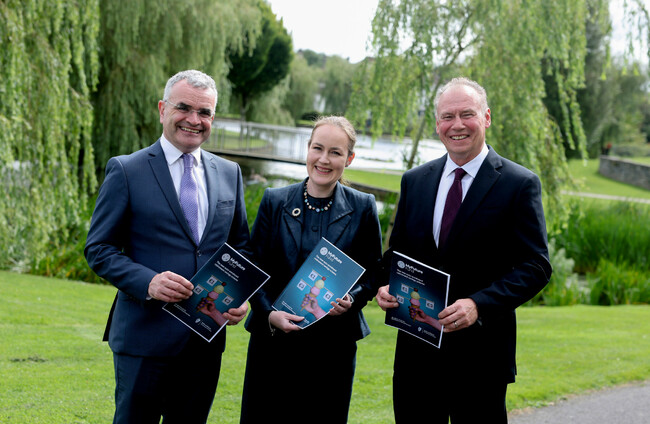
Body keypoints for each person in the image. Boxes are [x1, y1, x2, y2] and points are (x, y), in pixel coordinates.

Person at [376, 77, 552, 423]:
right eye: (447, 116)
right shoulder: (415, 180)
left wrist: (478, 304)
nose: (456, 125)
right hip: (416, 355)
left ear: (486, 117)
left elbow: (536, 266)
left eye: (466, 114)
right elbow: (398, 254)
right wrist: (386, 285)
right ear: (437, 124)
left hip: (481, 358)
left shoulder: (519, 184)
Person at [85, 69, 250, 424]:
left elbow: (240, 248)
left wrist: (238, 296)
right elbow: (99, 248)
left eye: (204, 112)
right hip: (144, 338)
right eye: (184, 108)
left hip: (204, 341)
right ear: (163, 110)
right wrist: (148, 282)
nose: (194, 120)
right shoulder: (127, 170)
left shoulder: (229, 173)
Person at [239, 116, 383, 423]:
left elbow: (374, 272)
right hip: (273, 343)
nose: (324, 159)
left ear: (349, 158)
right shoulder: (274, 201)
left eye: (335, 152)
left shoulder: (363, 207)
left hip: (333, 348)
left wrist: (352, 299)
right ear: (308, 149)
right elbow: (253, 267)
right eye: (318, 148)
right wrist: (268, 314)